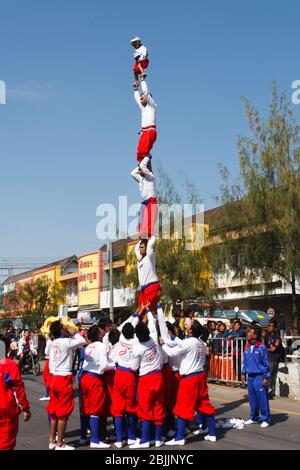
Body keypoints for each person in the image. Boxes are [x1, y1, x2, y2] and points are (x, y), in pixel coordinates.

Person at [160, 321, 217, 446]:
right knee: (204, 404)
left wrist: (163, 344)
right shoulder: (202, 343)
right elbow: (182, 344)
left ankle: (180, 437)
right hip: (200, 376)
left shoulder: (188, 342)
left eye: (189, 327)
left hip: (190, 378)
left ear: (191, 331)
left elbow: (171, 352)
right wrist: (173, 337)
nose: (187, 327)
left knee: (182, 407)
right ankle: (212, 433)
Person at [47, 319, 86, 450]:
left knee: (54, 411)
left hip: (53, 377)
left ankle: (52, 440)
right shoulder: (66, 341)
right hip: (63, 378)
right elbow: (82, 341)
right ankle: (60, 443)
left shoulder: (53, 343)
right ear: (62, 329)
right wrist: (73, 331)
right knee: (63, 413)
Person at [129, 310, 166, 449]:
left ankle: (144, 440)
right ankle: (157, 439)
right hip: (158, 376)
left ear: (137, 336)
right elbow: (153, 322)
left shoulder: (137, 347)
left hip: (146, 379)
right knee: (158, 407)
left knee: (145, 409)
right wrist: (149, 310)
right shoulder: (154, 337)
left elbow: (133, 367)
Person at [79, 324, 110, 449]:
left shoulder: (87, 347)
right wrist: (114, 366)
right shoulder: (101, 345)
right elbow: (103, 365)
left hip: (84, 377)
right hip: (94, 378)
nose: (103, 332)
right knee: (96, 408)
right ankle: (95, 440)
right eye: (100, 331)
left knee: (85, 408)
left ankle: (83, 436)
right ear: (97, 334)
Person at [0, 335, 31, 450]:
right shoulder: (10, 365)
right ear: (8, 349)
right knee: (6, 444)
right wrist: (25, 408)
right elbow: (17, 389)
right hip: (6, 411)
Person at [242, 325, 270, 428]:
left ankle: (265, 418)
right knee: (252, 398)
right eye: (248, 332)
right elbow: (244, 362)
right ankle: (253, 417)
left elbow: (266, 363)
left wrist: (266, 377)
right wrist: (243, 373)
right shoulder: (247, 347)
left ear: (255, 335)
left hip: (259, 376)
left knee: (262, 398)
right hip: (250, 376)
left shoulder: (262, 347)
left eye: (250, 332)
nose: (248, 334)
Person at [131, 156, 158, 239]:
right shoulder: (141, 180)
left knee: (148, 225)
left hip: (151, 202)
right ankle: (144, 238)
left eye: (140, 169)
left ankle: (150, 237)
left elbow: (143, 166)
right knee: (141, 222)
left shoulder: (150, 177)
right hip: (145, 203)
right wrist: (139, 165)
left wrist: (146, 157)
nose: (138, 171)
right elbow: (132, 173)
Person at [135, 236, 161, 312]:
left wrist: (152, 235)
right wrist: (141, 237)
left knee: (147, 311)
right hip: (143, 289)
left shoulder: (150, 256)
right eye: (140, 247)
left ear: (146, 249)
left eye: (142, 247)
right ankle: (131, 324)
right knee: (139, 310)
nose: (140, 249)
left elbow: (149, 246)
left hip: (152, 287)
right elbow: (136, 247)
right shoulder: (139, 259)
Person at [134, 78, 157, 163]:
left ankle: (147, 159)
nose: (141, 97)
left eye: (142, 96)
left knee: (144, 151)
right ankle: (141, 169)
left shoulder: (152, 105)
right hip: (144, 132)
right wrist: (136, 89)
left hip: (150, 131)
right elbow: (137, 100)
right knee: (139, 152)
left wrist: (143, 80)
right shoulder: (143, 108)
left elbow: (146, 93)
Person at [263, 320, 282, 399]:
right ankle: (270, 391)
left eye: (271, 326)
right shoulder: (267, 335)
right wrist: (263, 338)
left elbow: (274, 348)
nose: (269, 327)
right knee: (267, 374)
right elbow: (263, 346)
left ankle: (270, 391)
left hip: (274, 358)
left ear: (275, 328)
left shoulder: (277, 336)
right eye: (269, 325)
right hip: (267, 356)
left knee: (270, 375)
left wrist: (268, 348)